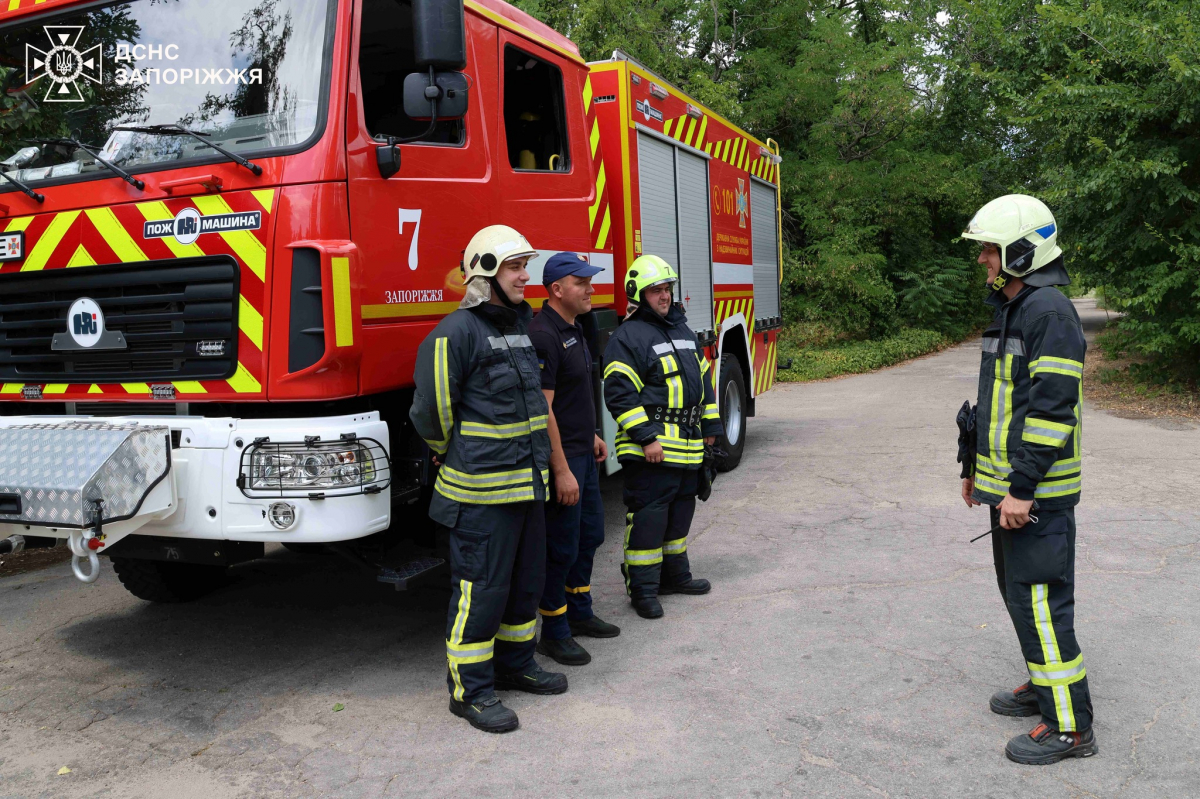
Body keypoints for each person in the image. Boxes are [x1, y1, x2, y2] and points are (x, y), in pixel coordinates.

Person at [410, 225, 567, 734]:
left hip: (525, 487)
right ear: (484, 272)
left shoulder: (518, 327)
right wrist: (451, 454)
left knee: (524, 586)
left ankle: (516, 666)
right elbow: (432, 413)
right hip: (480, 495)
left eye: (526, 264)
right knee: (481, 592)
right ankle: (471, 692)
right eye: (515, 266)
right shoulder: (454, 334)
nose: (526, 275)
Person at [960, 194, 1098, 765]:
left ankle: (1070, 726)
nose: (984, 260)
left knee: (1040, 601)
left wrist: (1021, 488)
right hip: (1009, 489)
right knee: (1020, 597)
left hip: (1034, 493)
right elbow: (998, 406)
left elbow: (1050, 408)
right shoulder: (1014, 310)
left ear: (1021, 251)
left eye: (990, 250)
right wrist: (976, 472)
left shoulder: (1049, 313)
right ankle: (1045, 690)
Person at [601, 254, 724, 619]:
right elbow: (620, 394)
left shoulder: (682, 331)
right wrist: (645, 438)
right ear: (639, 294)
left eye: (667, 288)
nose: (665, 296)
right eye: (656, 290)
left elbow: (704, 383)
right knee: (649, 520)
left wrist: (712, 431)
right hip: (651, 449)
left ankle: (676, 577)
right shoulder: (627, 337)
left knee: (680, 513)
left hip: (686, 444)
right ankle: (643, 590)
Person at [528, 252, 622, 666]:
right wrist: (561, 468)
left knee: (590, 537)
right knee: (561, 548)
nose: (590, 288)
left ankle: (580, 613)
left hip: (584, 451)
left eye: (590, 281)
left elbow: (577, 394)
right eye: (581, 282)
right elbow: (543, 408)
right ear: (557, 290)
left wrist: (596, 434)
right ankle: (556, 631)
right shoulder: (543, 334)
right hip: (564, 462)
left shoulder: (575, 328)